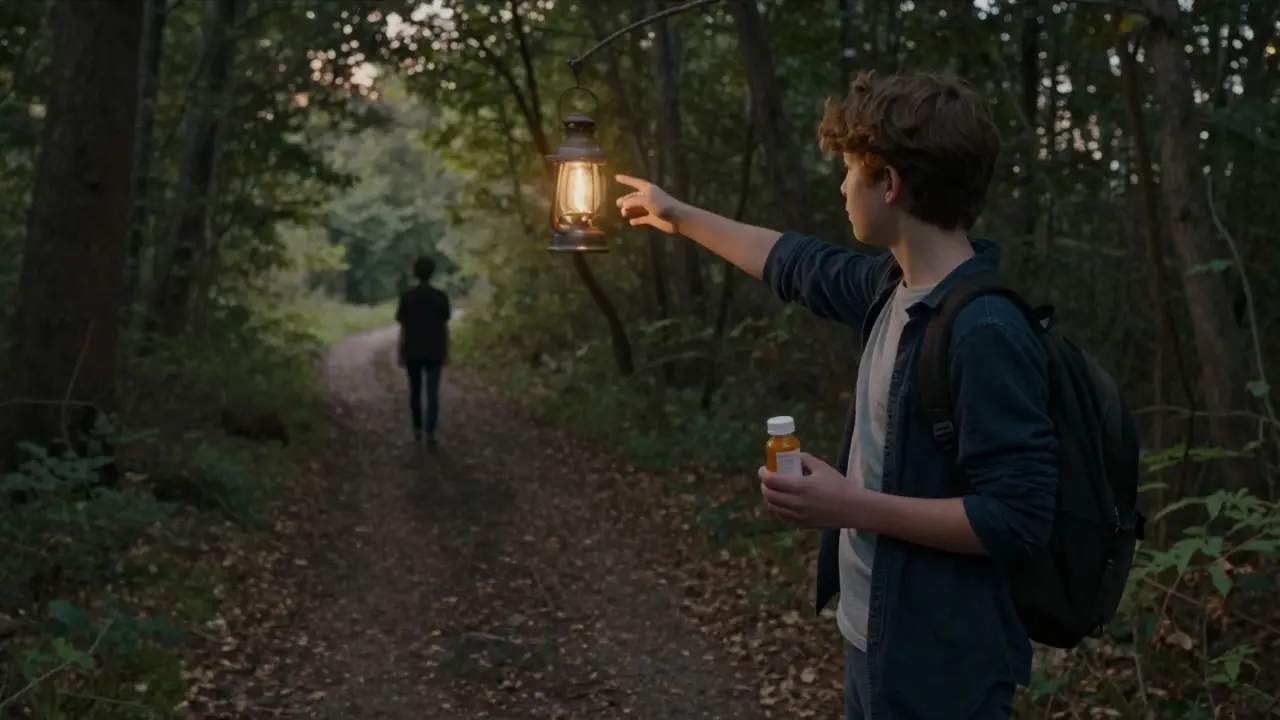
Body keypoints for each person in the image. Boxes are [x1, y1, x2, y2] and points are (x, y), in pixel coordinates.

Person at [616, 71, 1057, 719]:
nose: (842, 186)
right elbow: (793, 263)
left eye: (850, 171)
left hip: (942, 665)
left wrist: (850, 505)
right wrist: (677, 215)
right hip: (876, 638)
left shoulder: (984, 330)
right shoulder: (893, 288)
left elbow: (1018, 519)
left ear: (889, 184)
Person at [395, 255, 452, 445]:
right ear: (432, 273)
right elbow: (445, 327)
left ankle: (417, 428)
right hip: (435, 349)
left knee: (415, 391)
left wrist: (400, 351)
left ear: (415, 273)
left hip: (413, 350)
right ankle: (430, 431)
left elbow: (403, 328)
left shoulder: (407, 297)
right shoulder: (441, 297)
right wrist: (447, 351)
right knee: (432, 392)